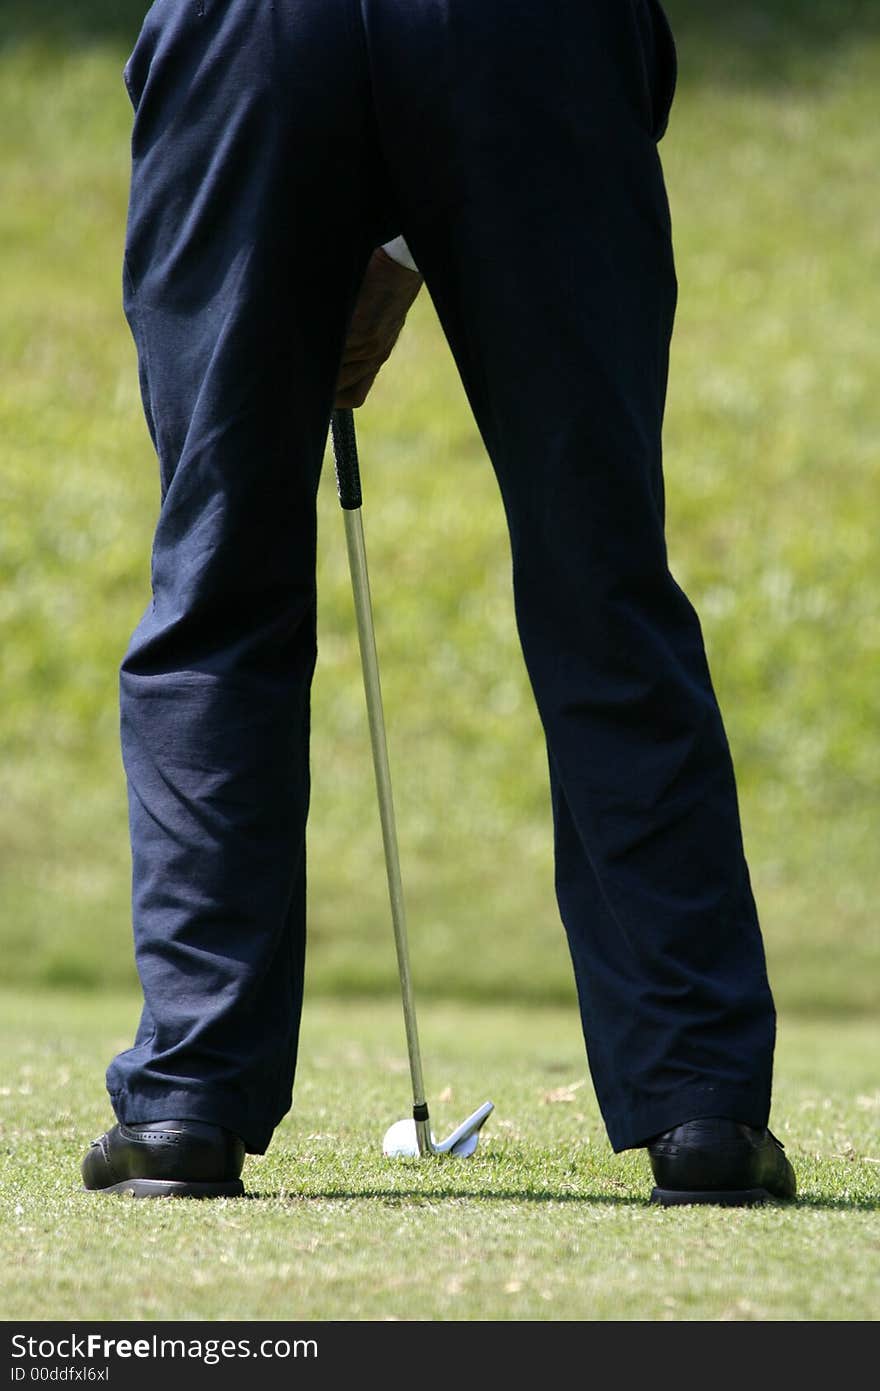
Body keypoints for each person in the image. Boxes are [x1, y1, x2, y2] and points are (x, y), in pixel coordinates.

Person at [82, 0, 795, 1206]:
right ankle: (698, 1100)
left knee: (217, 585)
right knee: (601, 584)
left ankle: (190, 1100)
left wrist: (379, 201)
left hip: (251, 39)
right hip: (534, 37)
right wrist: (405, 214)